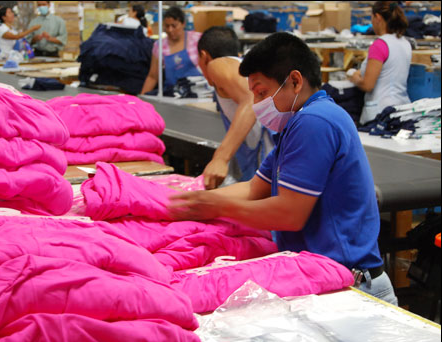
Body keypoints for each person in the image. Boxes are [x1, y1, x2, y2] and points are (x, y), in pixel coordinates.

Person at [167, 32, 398, 305]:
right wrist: (192, 200)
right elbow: (254, 188)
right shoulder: (294, 128)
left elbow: (289, 214)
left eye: (263, 93)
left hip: (354, 288)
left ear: (295, 81)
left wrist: (217, 207)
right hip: (327, 278)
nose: (256, 105)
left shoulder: (315, 122)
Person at [197, 26, 274, 189]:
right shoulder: (241, 66)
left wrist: (220, 158)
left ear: (204, 56)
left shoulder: (216, 65)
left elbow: (251, 98)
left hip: (274, 158)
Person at [348, 1, 411, 125]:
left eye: (371, 18)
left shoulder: (379, 45)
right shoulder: (405, 43)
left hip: (380, 113)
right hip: (402, 108)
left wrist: (353, 77)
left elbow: (367, 85)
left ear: (377, 17)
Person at [140, 6, 202, 95]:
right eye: (167, 26)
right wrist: (141, 100)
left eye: (174, 26)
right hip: (172, 94)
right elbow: (153, 76)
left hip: (198, 92)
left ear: (183, 24)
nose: (170, 30)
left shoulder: (197, 39)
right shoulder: (159, 46)